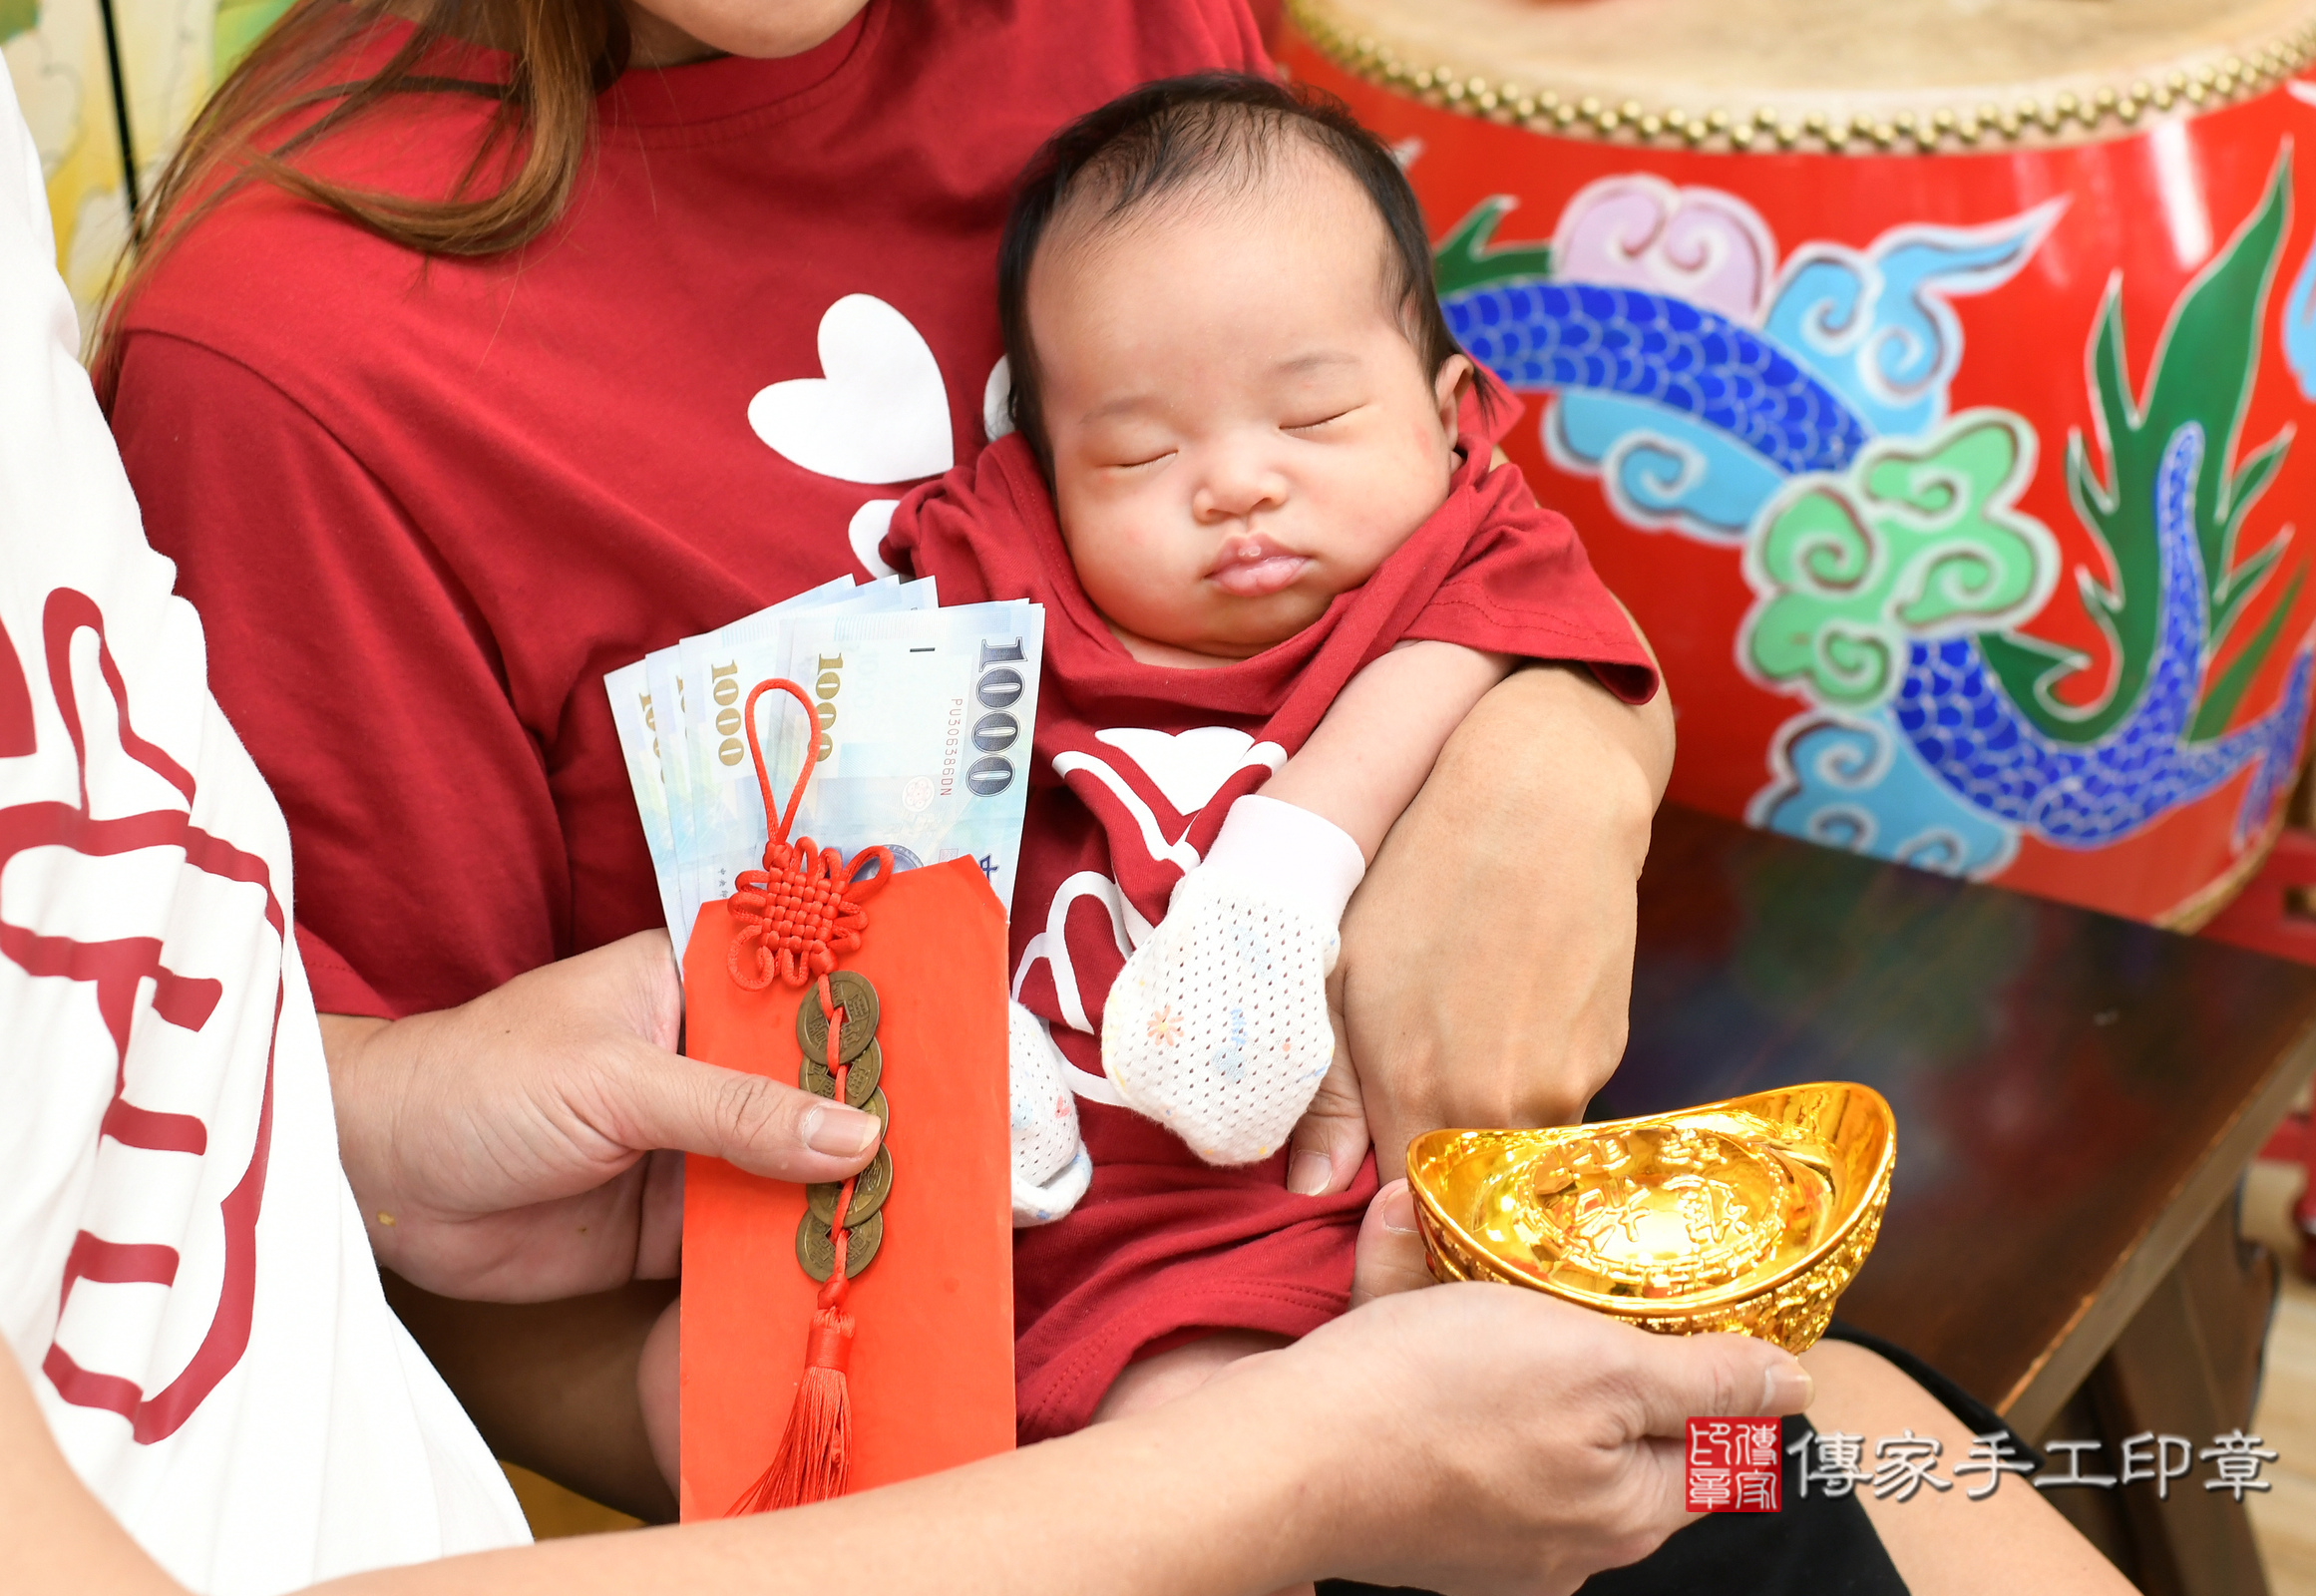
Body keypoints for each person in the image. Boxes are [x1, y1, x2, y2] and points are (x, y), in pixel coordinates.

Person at [97, 0, 1673, 1514]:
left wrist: (1562, 750)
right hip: (1063, 1433)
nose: (1230, 491)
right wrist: (1184, 1481)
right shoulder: (279, 370)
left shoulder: (1123, 40)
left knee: (1819, 1455)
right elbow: (392, 1226)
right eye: (1128, 455)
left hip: (1489, 1217)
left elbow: (1444, 510)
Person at [883, 74, 1657, 1441]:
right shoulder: (1002, 577)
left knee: (1687, 1444)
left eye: (1311, 423)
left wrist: (1289, 866)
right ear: (1038, 465)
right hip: (1098, 1238)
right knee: (1216, 1460)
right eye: (1136, 453)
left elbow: (1520, 639)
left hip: (1417, 1173)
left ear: (1446, 408)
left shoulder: (1463, 548)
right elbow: (893, 775)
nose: (1235, 484)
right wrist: (944, 1008)